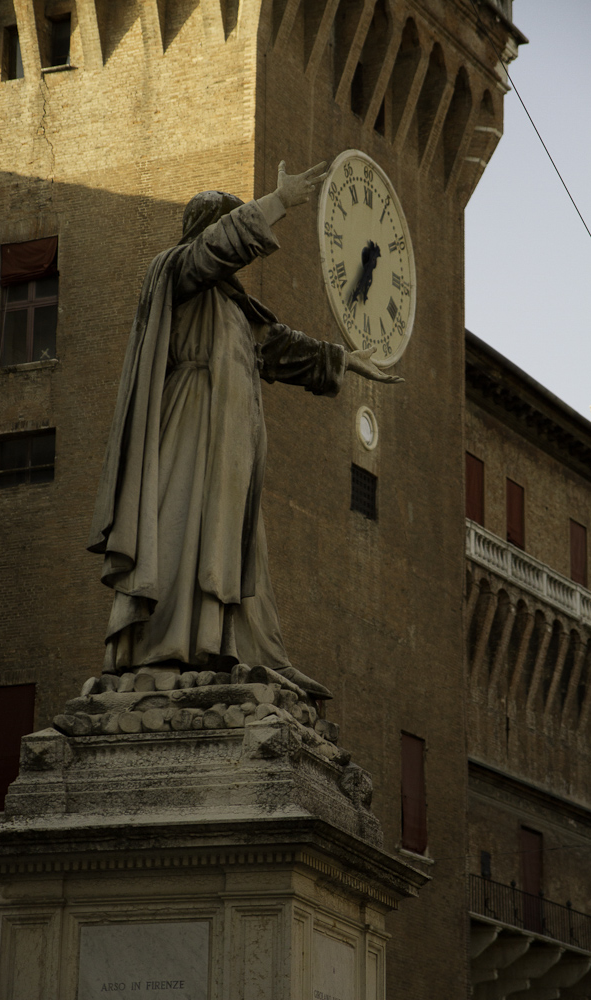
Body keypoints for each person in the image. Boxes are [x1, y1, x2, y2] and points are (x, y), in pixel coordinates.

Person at [88, 162, 403, 690]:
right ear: (208, 228)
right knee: (178, 531)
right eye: (230, 225)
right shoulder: (177, 274)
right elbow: (217, 250)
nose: (235, 251)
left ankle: (241, 652)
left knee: (231, 545)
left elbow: (277, 346)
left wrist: (344, 360)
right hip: (189, 427)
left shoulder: (234, 307)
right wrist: (278, 201)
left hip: (231, 443)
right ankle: (162, 650)